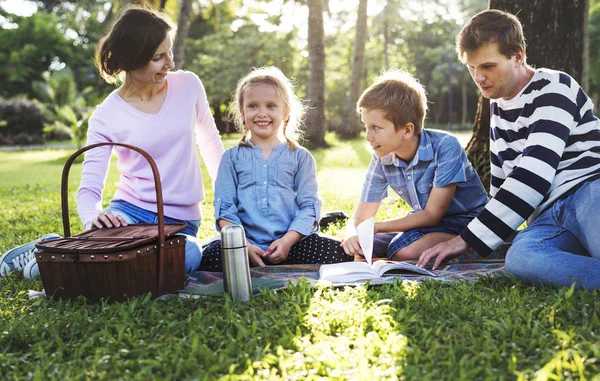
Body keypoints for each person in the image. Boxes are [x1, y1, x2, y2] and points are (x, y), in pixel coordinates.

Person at [0, 4, 224, 278]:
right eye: (158, 57)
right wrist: (92, 217)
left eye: (170, 51)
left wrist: (229, 203)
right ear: (132, 61)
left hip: (181, 221)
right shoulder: (106, 115)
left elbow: (211, 143)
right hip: (127, 214)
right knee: (136, 263)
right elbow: (89, 190)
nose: (171, 64)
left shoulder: (188, 86)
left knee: (189, 255)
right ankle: (48, 250)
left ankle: (59, 256)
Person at [417, 10, 600, 289]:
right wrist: (481, 241)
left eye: (488, 66)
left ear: (517, 56)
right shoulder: (499, 109)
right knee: (522, 258)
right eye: (471, 67)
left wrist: (466, 238)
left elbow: (533, 174)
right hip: (549, 218)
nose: (478, 77)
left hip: (589, 192)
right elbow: (502, 185)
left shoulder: (554, 87)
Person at [198, 66, 351, 271]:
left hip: (293, 242)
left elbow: (309, 206)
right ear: (242, 113)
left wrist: (287, 242)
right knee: (207, 258)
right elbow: (225, 209)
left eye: (271, 106)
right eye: (253, 106)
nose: (262, 113)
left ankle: (282, 255)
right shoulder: (231, 158)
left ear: (286, 112)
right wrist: (244, 245)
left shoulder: (301, 157)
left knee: (339, 253)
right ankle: (252, 257)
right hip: (243, 244)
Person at [340, 69, 489, 261]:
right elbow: (360, 218)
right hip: (426, 226)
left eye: (376, 128)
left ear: (407, 130)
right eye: (366, 127)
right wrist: (353, 233)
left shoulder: (445, 147)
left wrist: (377, 227)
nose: (368, 137)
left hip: (466, 222)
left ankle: (468, 245)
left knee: (403, 251)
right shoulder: (382, 156)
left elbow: (432, 214)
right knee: (356, 247)